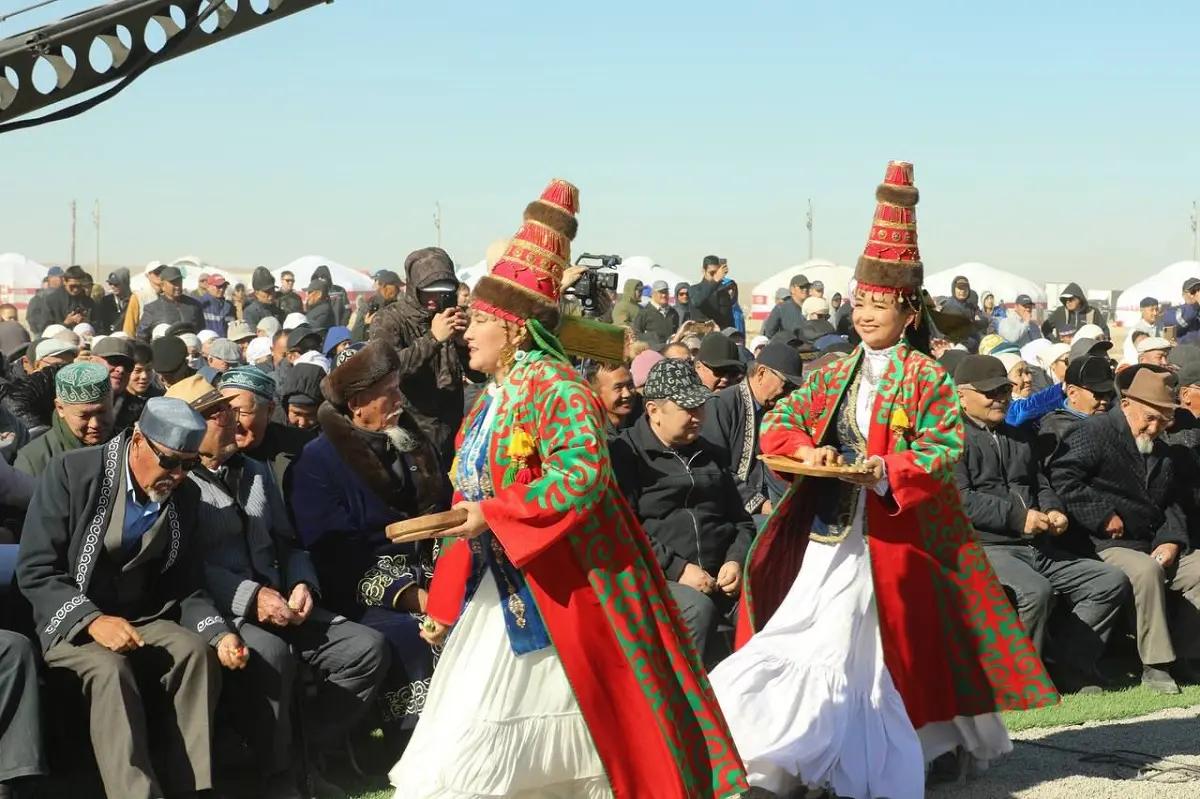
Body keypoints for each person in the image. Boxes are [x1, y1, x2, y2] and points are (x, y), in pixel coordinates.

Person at [389, 179, 749, 798]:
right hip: (502, 590)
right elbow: (465, 500)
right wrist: (448, 593)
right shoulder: (491, 401)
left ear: (516, 329)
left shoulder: (555, 388)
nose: (466, 330)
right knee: (472, 746)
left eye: (479, 320)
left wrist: (498, 514)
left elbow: (582, 477)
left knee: (552, 747)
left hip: (567, 592)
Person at [709, 162, 1056, 799]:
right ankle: (787, 758)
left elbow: (943, 446)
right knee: (811, 633)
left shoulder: (926, 376)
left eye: (879, 302)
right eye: (860, 302)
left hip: (902, 534)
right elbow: (781, 421)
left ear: (906, 308)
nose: (866, 313)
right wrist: (807, 452)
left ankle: (850, 759)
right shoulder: (833, 370)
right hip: (833, 531)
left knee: (883, 649)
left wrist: (885, 468)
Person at [16, 398, 248, 799]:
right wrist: (92, 619)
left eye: (189, 465)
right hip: (68, 621)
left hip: (142, 615)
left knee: (194, 652)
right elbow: (35, 570)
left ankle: (192, 789)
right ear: (138, 441)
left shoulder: (186, 496)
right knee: (110, 670)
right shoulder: (73, 473)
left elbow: (184, 584)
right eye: (171, 461)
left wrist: (218, 633)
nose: (177, 475)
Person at [170, 375, 389, 797]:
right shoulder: (180, 485)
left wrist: (303, 581)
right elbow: (189, 567)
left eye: (231, 409)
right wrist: (252, 599)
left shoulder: (255, 472)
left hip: (283, 602)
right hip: (226, 610)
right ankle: (279, 776)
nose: (232, 419)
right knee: (269, 655)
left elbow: (287, 540)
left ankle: (304, 755)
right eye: (218, 414)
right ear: (192, 428)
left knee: (364, 649)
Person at [288, 341, 448, 745]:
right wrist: (417, 597)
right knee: (415, 633)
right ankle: (414, 745)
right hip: (362, 593)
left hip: (431, 575)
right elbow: (334, 556)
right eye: (389, 392)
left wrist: (448, 582)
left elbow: (443, 509)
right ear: (357, 404)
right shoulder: (317, 462)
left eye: (398, 387)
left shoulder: (412, 441)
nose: (400, 399)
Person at [954, 355, 1129, 694]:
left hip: (1037, 544)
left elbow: (1040, 482)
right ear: (961, 395)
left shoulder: (1018, 436)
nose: (1001, 398)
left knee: (1109, 581)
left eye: (1004, 389)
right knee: (1036, 591)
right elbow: (960, 498)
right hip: (984, 546)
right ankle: (1016, 682)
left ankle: (1068, 666)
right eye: (990, 392)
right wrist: (1020, 517)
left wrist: (1053, 509)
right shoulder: (949, 440)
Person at [1049, 365, 1200, 694]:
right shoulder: (1095, 433)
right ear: (1127, 403)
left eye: (1163, 420)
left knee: (1198, 568)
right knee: (1146, 571)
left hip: (1150, 540)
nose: (1155, 427)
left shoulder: (1160, 448)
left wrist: (1172, 541)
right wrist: (1101, 515)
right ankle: (1156, 665)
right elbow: (1063, 477)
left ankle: (1189, 657)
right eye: (1150, 417)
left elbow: (1171, 504)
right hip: (1098, 542)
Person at [369, 247, 473, 464]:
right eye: (427, 291)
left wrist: (464, 344)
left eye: (443, 292)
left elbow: (480, 375)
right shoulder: (390, 320)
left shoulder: (453, 316)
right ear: (414, 288)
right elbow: (386, 371)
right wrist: (433, 339)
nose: (434, 299)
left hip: (452, 432)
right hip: (408, 433)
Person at [14, 361, 114, 478]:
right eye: (84, 415)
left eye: (102, 412)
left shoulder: (129, 446)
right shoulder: (34, 461)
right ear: (60, 408)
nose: (95, 424)